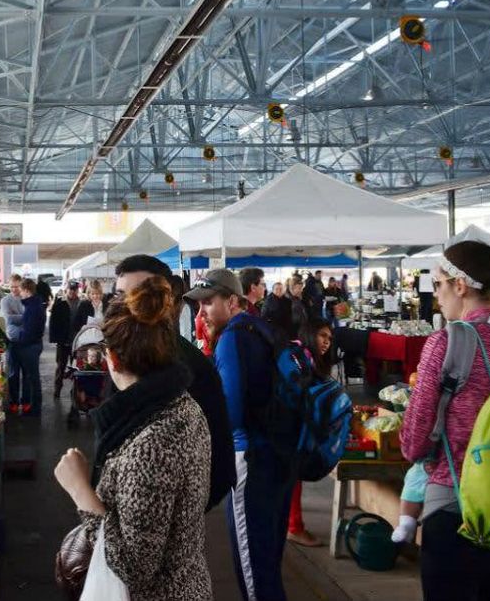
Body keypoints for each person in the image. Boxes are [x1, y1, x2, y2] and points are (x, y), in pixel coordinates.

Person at [54, 277, 213, 601]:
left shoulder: (149, 449)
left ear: (111, 358)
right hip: (191, 584)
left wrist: (80, 490)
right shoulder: (185, 406)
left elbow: (133, 567)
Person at [401, 240, 490, 600]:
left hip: (456, 507)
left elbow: (414, 442)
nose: (436, 294)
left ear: (460, 286)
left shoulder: (445, 342)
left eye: (439, 284)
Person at [193, 269, 294, 601]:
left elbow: (231, 413)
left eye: (208, 303)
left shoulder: (233, 338)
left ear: (232, 301)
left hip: (250, 458)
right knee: (269, 565)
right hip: (280, 456)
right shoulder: (262, 328)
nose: (202, 312)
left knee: (254, 575)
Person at [115, 255, 235, 512]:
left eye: (140, 295)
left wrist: (178, 515)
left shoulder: (193, 369)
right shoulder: (121, 359)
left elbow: (221, 466)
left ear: (167, 301)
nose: (127, 306)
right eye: (119, 296)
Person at [286, 317, 334, 547]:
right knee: (294, 477)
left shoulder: (300, 354)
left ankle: (292, 523)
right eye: (322, 336)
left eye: (329, 338)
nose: (326, 342)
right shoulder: (301, 358)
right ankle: (294, 526)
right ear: (310, 333)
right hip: (290, 427)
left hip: (290, 426)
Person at [13, 278, 46, 416]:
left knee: (33, 378)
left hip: (30, 346)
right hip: (35, 344)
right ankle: (34, 405)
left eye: (20, 290)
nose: (19, 293)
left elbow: (30, 332)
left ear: (26, 290)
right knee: (32, 377)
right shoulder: (36, 304)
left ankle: (35, 408)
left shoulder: (32, 308)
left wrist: (18, 339)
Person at [49, 282, 82, 399]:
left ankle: (76, 392)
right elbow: (53, 322)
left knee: (77, 368)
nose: (72, 291)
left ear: (78, 290)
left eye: (75, 289)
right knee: (60, 367)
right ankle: (57, 390)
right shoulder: (60, 303)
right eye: (70, 289)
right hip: (63, 342)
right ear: (66, 289)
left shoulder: (82, 304)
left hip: (77, 343)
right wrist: (54, 338)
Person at [0, 275, 25, 412]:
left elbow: (32, 317)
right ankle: (14, 402)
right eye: (12, 287)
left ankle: (26, 402)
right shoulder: (5, 301)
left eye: (17, 286)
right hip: (12, 341)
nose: (14, 289)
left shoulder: (27, 298)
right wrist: (25, 317)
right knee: (13, 373)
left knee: (27, 373)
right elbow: (8, 319)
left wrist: (18, 317)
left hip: (27, 340)